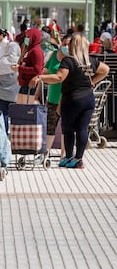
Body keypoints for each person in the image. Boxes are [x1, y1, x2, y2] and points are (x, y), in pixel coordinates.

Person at [29, 34, 109, 169]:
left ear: (72, 46)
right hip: (88, 100)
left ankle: (68, 157)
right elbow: (105, 70)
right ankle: (79, 159)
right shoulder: (91, 61)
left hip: (72, 100)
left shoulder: (68, 61)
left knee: (68, 129)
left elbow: (59, 77)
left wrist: (40, 77)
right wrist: (92, 82)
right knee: (82, 129)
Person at [37, 34, 72, 157]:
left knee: (66, 128)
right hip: (52, 98)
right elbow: (45, 72)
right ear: (60, 43)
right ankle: (45, 154)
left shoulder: (73, 59)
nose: (66, 47)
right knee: (49, 127)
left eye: (69, 44)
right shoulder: (54, 55)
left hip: (68, 99)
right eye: (64, 44)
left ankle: (64, 155)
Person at [11, 27, 44, 104]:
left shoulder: (36, 51)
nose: (26, 39)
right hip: (25, 84)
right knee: (21, 110)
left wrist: (20, 69)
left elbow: (37, 70)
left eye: (28, 37)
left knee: (25, 111)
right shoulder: (30, 50)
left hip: (30, 85)